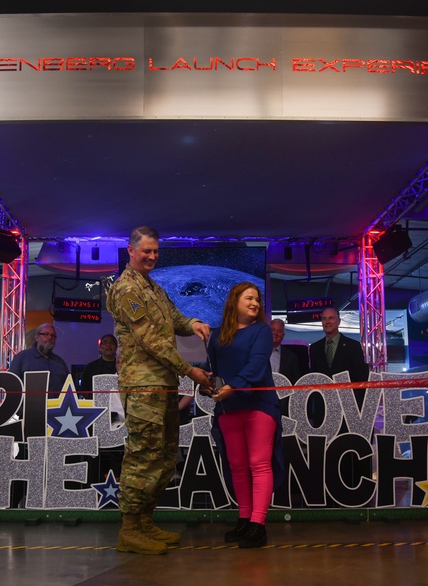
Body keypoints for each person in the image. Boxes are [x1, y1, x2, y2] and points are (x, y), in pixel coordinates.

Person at [106, 226, 212, 555]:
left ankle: (145, 522)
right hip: (143, 385)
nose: (151, 256)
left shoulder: (153, 286)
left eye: (155, 251)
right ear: (131, 251)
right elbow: (150, 340)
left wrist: (191, 323)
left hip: (164, 384)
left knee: (164, 458)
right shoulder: (126, 288)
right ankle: (129, 529)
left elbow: (173, 319)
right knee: (142, 456)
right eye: (146, 251)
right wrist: (190, 370)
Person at [208, 283, 282, 548]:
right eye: (249, 298)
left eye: (258, 299)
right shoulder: (217, 335)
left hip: (259, 405)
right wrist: (213, 387)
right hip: (229, 407)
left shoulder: (262, 331)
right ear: (234, 301)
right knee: (237, 465)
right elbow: (214, 371)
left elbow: (257, 364)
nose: (255, 303)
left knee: (259, 463)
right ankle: (244, 518)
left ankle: (257, 525)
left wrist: (231, 387)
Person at [308, 307, 370, 416]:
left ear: (339, 321)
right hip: (323, 408)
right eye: (324, 319)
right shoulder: (314, 348)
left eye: (331, 318)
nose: (327, 322)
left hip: (348, 408)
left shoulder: (353, 346)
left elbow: (361, 378)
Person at [8, 322, 69, 398]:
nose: (50, 337)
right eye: (46, 334)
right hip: (30, 408)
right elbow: (11, 385)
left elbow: (68, 389)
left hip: (56, 409)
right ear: (36, 337)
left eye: (53, 335)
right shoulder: (22, 358)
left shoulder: (60, 363)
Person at [79, 333, 118, 399]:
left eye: (112, 342)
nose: (108, 345)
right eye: (105, 343)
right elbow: (84, 391)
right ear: (100, 347)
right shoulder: (90, 367)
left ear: (116, 347)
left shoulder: (123, 367)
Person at [270, 319, 301, 384]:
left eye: (279, 331)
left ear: (283, 335)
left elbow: (295, 384)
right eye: (272, 330)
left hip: (283, 393)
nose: (275, 333)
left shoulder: (291, 358)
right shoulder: (256, 353)